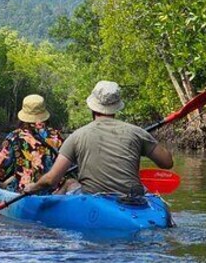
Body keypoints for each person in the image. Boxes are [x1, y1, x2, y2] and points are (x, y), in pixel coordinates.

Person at [24, 81, 173, 196]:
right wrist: (143, 143)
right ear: (117, 107)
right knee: (143, 189)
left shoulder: (77, 136)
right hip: (132, 197)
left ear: (92, 107)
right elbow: (167, 163)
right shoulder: (138, 133)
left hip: (93, 198)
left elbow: (51, 180)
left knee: (69, 182)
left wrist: (34, 187)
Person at [0, 94, 64, 192]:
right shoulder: (56, 136)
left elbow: (0, 171)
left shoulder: (14, 137)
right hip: (55, 192)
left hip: (25, 192)